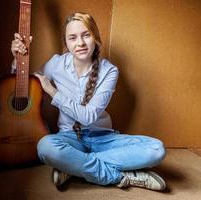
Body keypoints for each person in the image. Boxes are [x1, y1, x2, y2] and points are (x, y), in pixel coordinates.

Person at [11, 12, 166, 191]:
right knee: (45, 147)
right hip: (69, 138)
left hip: (104, 139)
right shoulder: (56, 64)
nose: (80, 43)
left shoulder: (109, 71)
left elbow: (88, 117)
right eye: (73, 38)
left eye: (86, 35)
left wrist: (53, 92)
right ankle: (119, 176)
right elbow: (27, 86)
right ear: (66, 43)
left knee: (156, 149)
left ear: (95, 37)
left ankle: (74, 167)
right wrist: (17, 60)